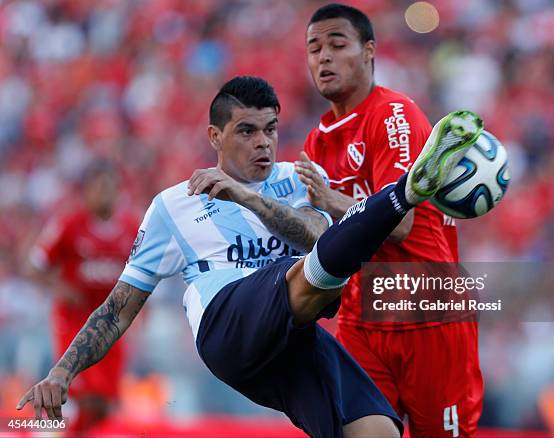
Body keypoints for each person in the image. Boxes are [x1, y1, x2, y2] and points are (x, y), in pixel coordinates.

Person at [17, 75, 482, 438]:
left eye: (270, 129)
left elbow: (321, 235)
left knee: (375, 427)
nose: (263, 142)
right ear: (215, 136)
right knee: (305, 276)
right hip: (226, 326)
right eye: (247, 131)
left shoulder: (298, 177)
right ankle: (405, 192)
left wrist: (250, 199)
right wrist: (61, 372)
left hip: (292, 331)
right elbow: (119, 309)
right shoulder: (172, 205)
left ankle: (400, 193)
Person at [295, 4, 484, 437]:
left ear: (369, 52)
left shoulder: (394, 116)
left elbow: (400, 224)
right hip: (363, 318)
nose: (323, 57)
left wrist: (329, 199)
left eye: (337, 44)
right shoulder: (317, 138)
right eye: (314, 48)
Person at [25, 160, 139, 432]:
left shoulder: (131, 228)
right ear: (87, 191)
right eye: (99, 187)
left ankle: (58, 432)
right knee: (85, 395)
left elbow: (143, 275)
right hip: (74, 322)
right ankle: (47, 429)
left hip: (112, 327)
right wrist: (60, 288)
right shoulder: (69, 224)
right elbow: (35, 265)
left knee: (106, 404)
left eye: (110, 187)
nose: (105, 193)